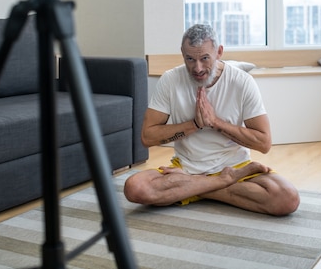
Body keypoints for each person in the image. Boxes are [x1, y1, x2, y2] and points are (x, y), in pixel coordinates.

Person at [123, 24, 300, 216]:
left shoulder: (242, 82)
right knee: (135, 188)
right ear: (182, 53)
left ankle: (192, 189)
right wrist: (195, 125)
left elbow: (264, 143)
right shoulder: (170, 80)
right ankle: (218, 183)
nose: (197, 68)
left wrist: (216, 122)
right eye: (190, 59)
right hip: (186, 168)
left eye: (204, 58)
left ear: (219, 52)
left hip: (234, 167)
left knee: (287, 198)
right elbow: (147, 137)